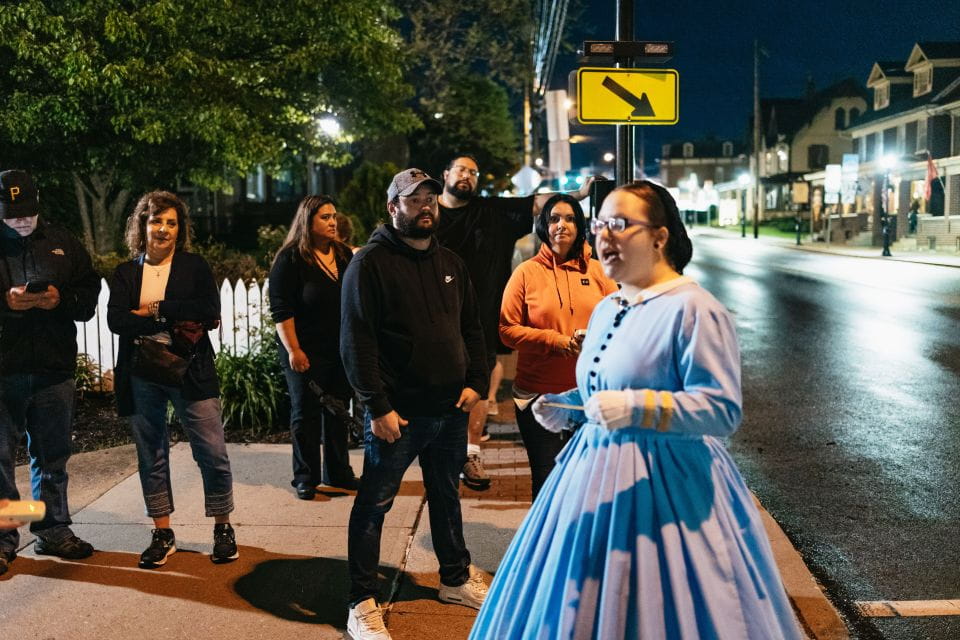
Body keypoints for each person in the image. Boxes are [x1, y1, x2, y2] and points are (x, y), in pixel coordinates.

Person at [470, 181, 802, 639]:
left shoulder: (695, 309)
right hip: (589, 474)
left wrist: (635, 407)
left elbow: (721, 409)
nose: (603, 235)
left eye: (620, 224)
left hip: (669, 486)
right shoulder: (608, 307)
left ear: (660, 237)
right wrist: (571, 407)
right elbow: (607, 387)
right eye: (601, 223)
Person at [341, 168, 489, 640]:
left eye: (430, 199)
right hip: (398, 415)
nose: (425, 206)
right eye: (413, 200)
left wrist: (476, 381)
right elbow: (356, 343)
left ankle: (454, 579)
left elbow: (472, 327)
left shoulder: (451, 262)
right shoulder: (370, 264)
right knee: (374, 504)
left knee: (446, 496)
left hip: (449, 409)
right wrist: (376, 406)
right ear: (393, 208)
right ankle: (361, 600)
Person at [437, 154, 592, 490]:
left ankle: (470, 452)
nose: (467, 176)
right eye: (461, 169)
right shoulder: (427, 214)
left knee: (478, 382)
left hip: (479, 318)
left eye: (473, 172)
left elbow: (536, 205)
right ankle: (440, 453)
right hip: (432, 320)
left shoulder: (490, 213)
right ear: (446, 174)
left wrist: (576, 196)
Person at [107, 190, 237, 569]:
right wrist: (171, 318)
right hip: (142, 372)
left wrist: (156, 309)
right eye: (155, 221)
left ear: (180, 230)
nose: (162, 229)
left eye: (171, 223)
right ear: (142, 225)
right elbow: (118, 320)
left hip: (191, 371)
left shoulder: (194, 267)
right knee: (152, 454)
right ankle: (162, 532)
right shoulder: (126, 272)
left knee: (212, 452)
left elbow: (209, 309)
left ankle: (223, 527)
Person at [0, 169, 100, 577]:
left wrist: (62, 299)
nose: (21, 220)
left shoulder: (62, 242)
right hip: (3, 370)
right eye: (11, 213)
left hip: (53, 370)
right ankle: (5, 538)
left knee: (53, 456)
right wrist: (5, 303)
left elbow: (89, 297)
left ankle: (52, 528)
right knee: (0, 460)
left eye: (28, 212)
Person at [498, 194, 617, 500]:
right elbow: (506, 330)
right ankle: (547, 545)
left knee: (590, 482)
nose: (561, 225)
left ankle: (583, 546)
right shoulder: (526, 273)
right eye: (554, 219)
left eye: (569, 218)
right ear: (543, 225)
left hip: (589, 394)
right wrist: (555, 340)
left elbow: (621, 322)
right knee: (547, 481)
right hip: (539, 395)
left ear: (580, 226)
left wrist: (594, 339)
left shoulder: (599, 271)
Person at [269, 195, 359, 499]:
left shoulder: (345, 255)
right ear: (308, 221)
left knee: (337, 412)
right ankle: (306, 477)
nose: (333, 222)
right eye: (325, 217)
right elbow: (282, 311)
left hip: (338, 349)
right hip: (303, 349)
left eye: (334, 216)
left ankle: (338, 472)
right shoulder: (290, 259)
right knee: (305, 413)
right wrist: (294, 350)